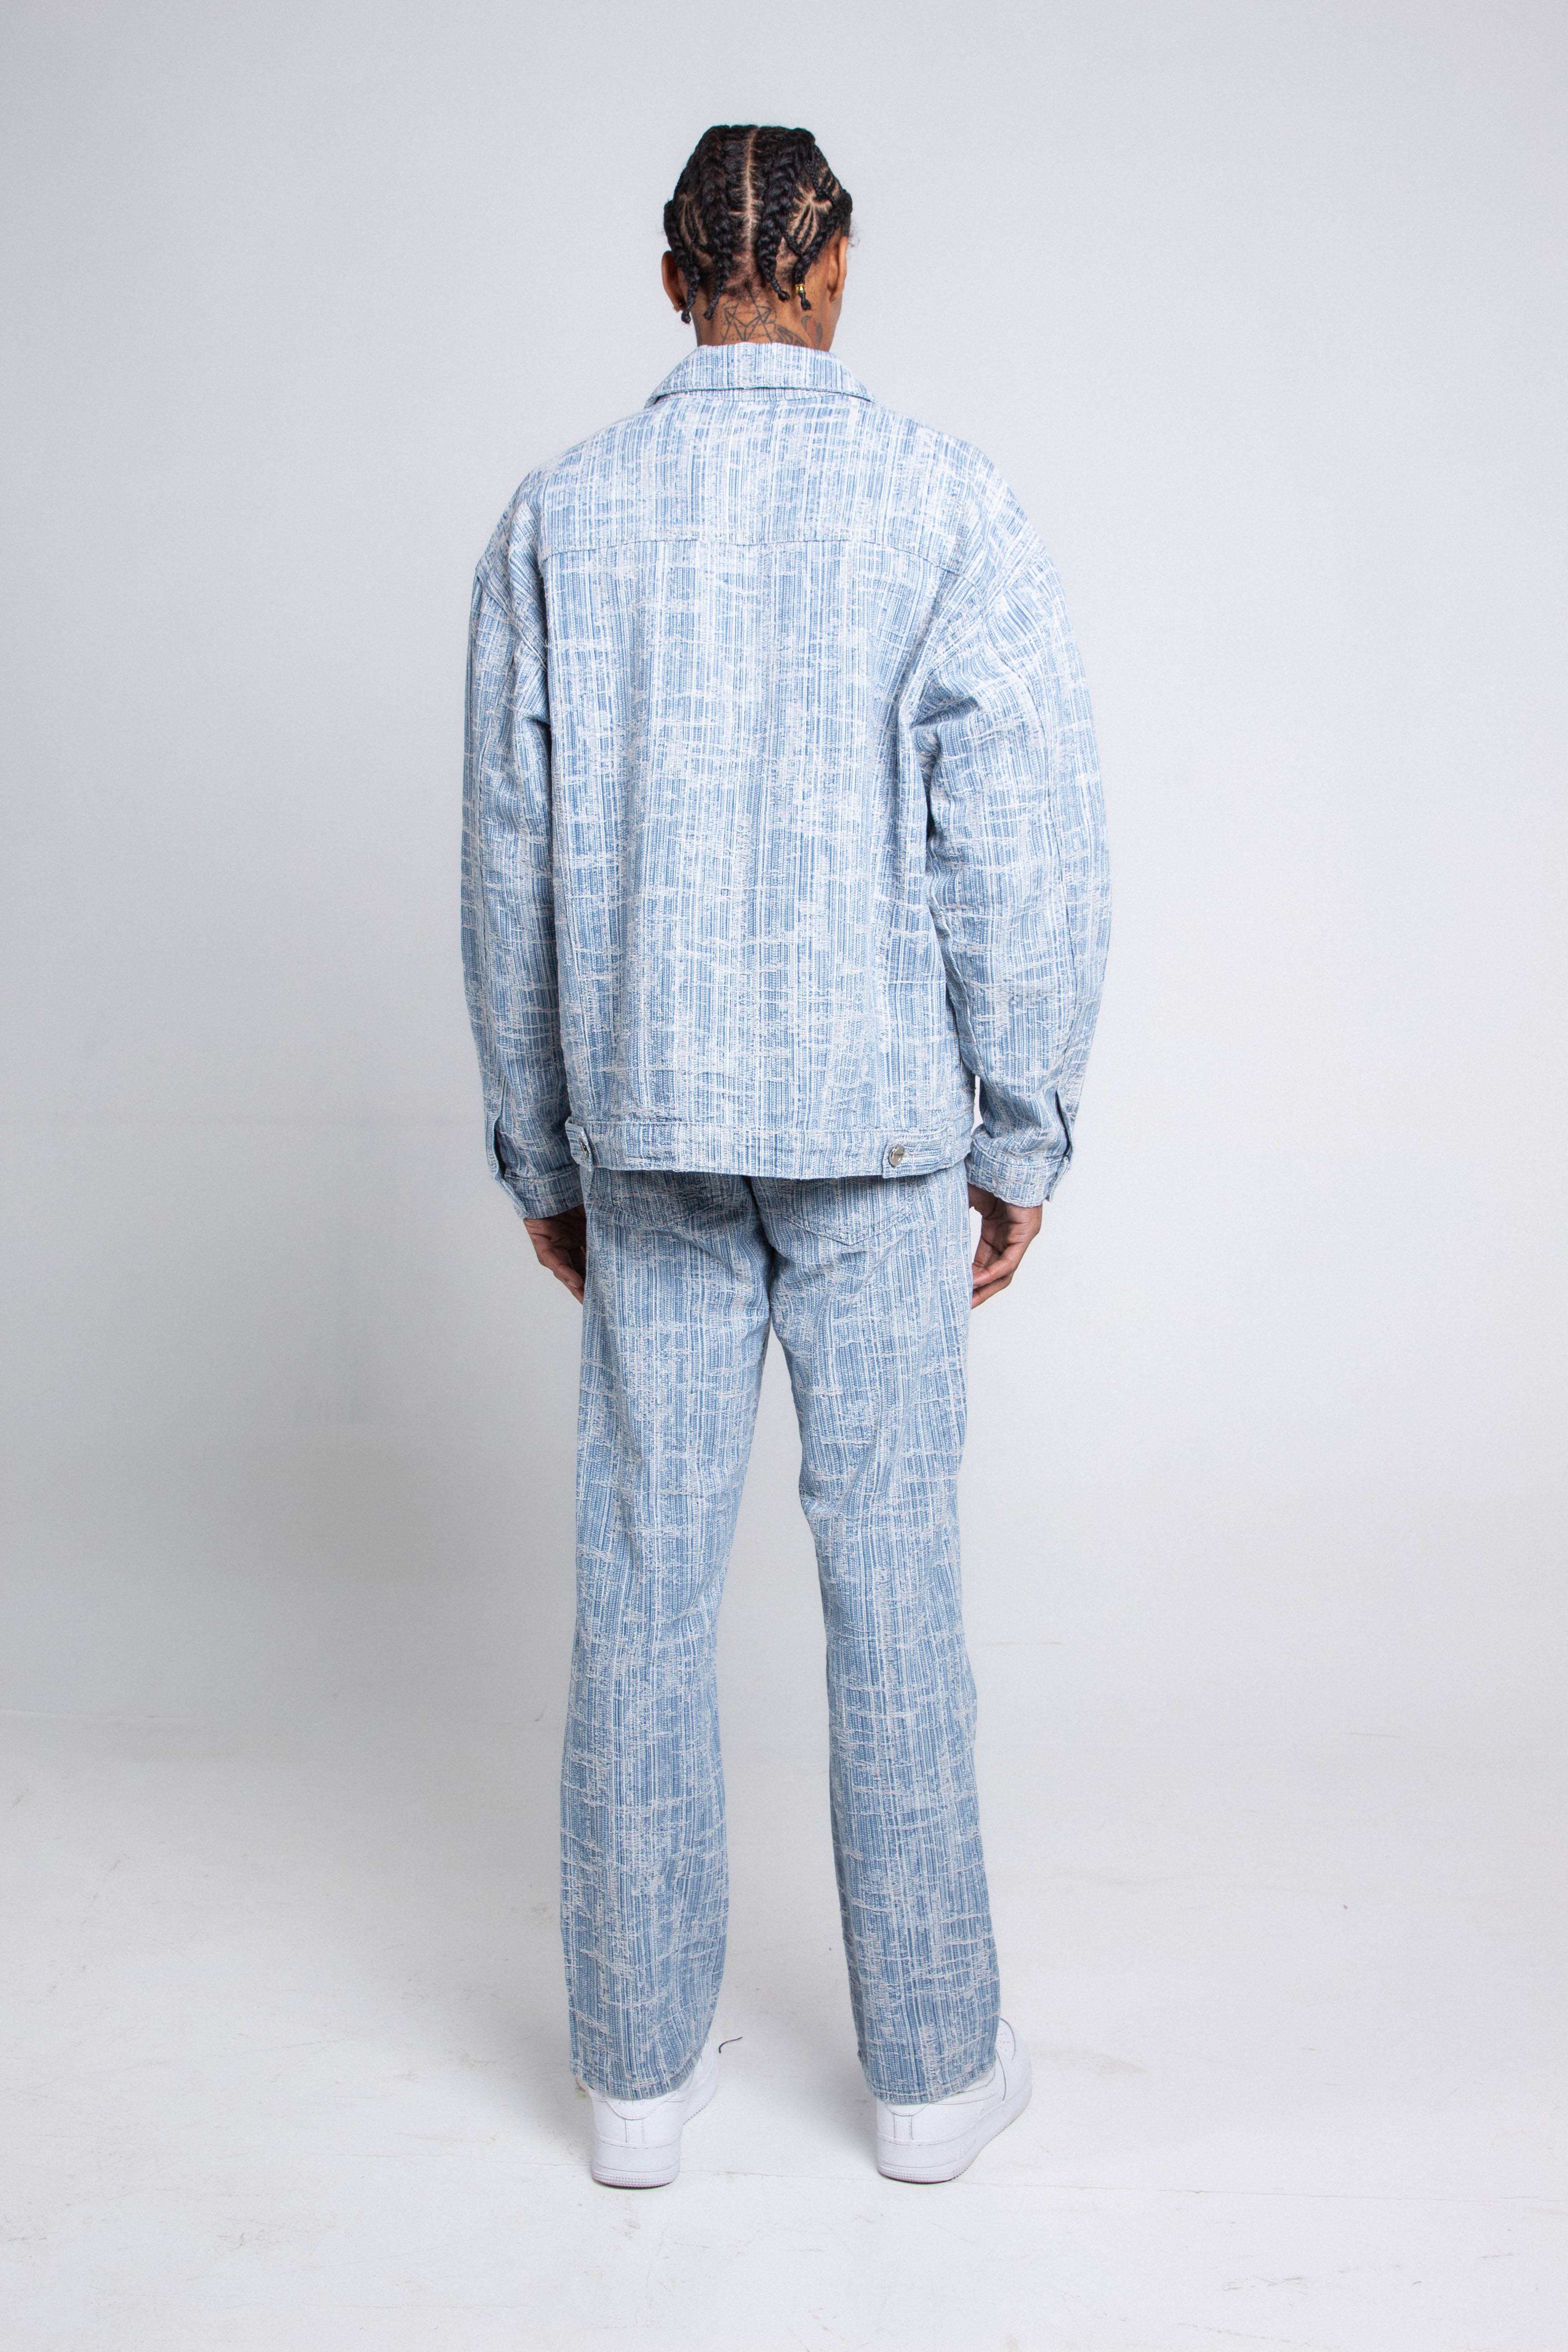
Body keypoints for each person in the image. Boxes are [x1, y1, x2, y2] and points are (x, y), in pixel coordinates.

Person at [462, 123, 1109, 2189]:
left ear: (676, 279)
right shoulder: (947, 503)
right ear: (833, 272)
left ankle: (636, 2092)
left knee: (642, 1589)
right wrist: (1021, 1127)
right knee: (896, 1586)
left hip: (648, 1133)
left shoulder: (561, 518)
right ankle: (930, 2079)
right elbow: (1027, 849)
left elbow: (506, 869)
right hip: (886, 1130)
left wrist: (541, 1148)